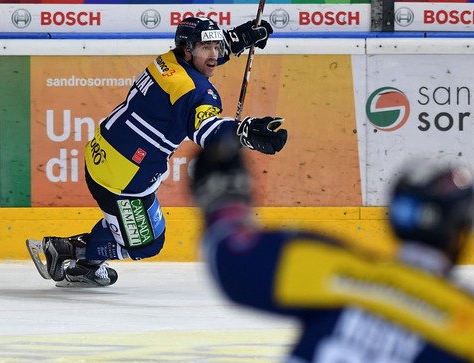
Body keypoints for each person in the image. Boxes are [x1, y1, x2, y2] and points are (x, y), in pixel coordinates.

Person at [190, 138, 474, 363]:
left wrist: (224, 195)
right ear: (462, 233)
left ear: (392, 218)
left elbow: (229, 254)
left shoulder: (330, 270)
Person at [32, 16, 288, 287]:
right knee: (148, 245)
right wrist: (244, 132)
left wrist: (237, 39)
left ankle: (85, 264)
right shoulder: (197, 92)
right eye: (206, 48)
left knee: (127, 224)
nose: (214, 55)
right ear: (188, 49)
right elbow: (207, 130)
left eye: (216, 47)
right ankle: (70, 251)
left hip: (101, 152)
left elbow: (202, 60)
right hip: (124, 181)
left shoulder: (166, 61)